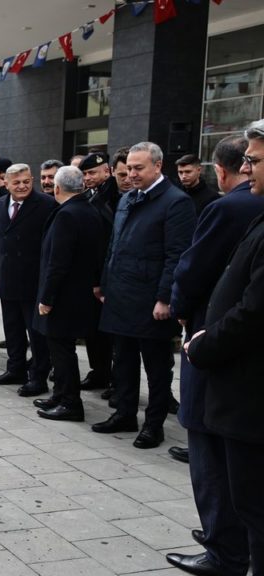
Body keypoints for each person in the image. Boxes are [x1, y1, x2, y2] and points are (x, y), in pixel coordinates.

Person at [166, 133, 263, 576]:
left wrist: (195, 331)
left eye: (255, 161)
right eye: (245, 160)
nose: (248, 170)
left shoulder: (229, 207)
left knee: (212, 454)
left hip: (221, 355)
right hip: (231, 357)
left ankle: (225, 549)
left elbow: (198, 271)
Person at [92, 142, 196, 448]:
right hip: (121, 295)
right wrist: (104, 283)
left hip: (151, 300)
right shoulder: (127, 199)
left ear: (157, 166)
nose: (132, 175)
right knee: (122, 360)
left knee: (156, 366)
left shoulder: (176, 202)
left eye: (139, 168)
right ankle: (124, 413)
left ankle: (154, 425)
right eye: (129, 169)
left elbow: (177, 255)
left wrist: (165, 298)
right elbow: (115, 246)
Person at [31, 166, 102, 421]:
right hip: (77, 293)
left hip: (64, 296)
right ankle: (60, 395)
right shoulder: (86, 209)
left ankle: (70, 402)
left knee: (62, 351)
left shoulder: (68, 214)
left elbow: (57, 262)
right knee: (61, 348)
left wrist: (47, 298)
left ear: (58, 188)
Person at [0, 164, 56, 396]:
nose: (22, 186)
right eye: (16, 182)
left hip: (33, 279)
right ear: (5, 183)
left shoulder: (46, 204)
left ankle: (38, 376)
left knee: (35, 332)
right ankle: (15, 368)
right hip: (7, 276)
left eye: (26, 181)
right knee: (12, 328)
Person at [78, 151, 120, 396]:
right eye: (85, 174)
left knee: (110, 333)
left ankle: (115, 378)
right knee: (93, 329)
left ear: (107, 171)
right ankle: (99, 371)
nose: (88, 177)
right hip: (93, 274)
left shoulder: (114, 196)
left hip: (108, 273)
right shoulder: (90, 196)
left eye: (92, 172)